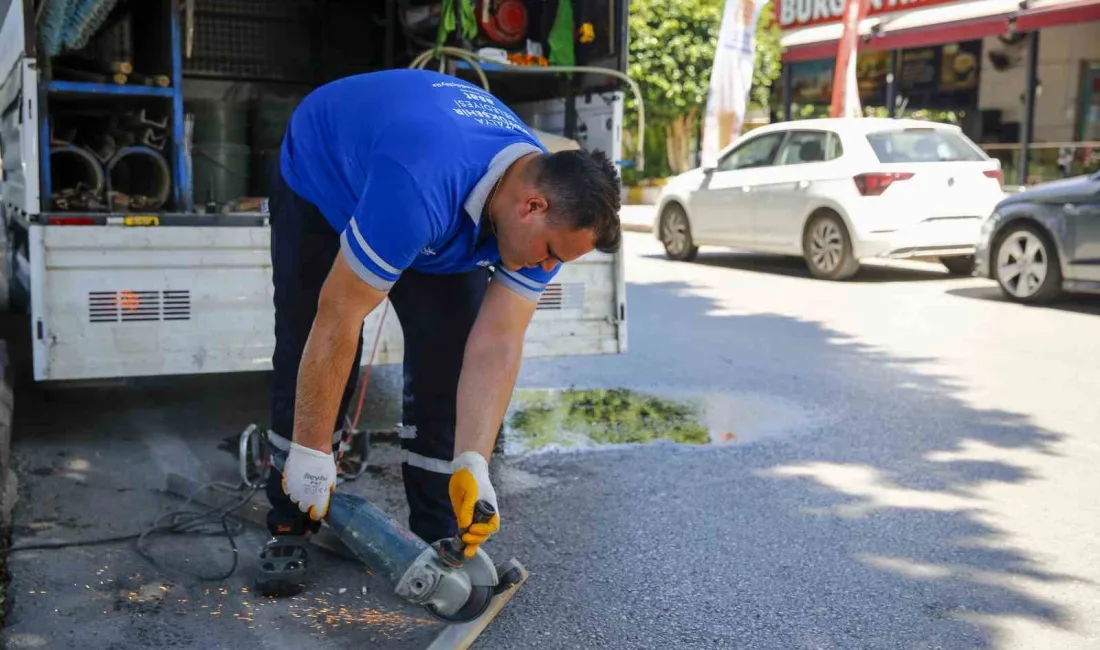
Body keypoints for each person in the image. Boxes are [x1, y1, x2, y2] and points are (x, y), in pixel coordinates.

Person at [256, 68, 622, 596]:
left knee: (448, 359)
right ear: (532, 206)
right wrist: (311, 452)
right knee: (305, 336)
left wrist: (474, 462)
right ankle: (291, 519)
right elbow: (338, 317)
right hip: (324, 177)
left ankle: (438, 533)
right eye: (550, 254)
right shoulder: (419, 183)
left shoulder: (538, 215)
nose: (547, 266)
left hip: (433, 200)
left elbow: (497, 341)